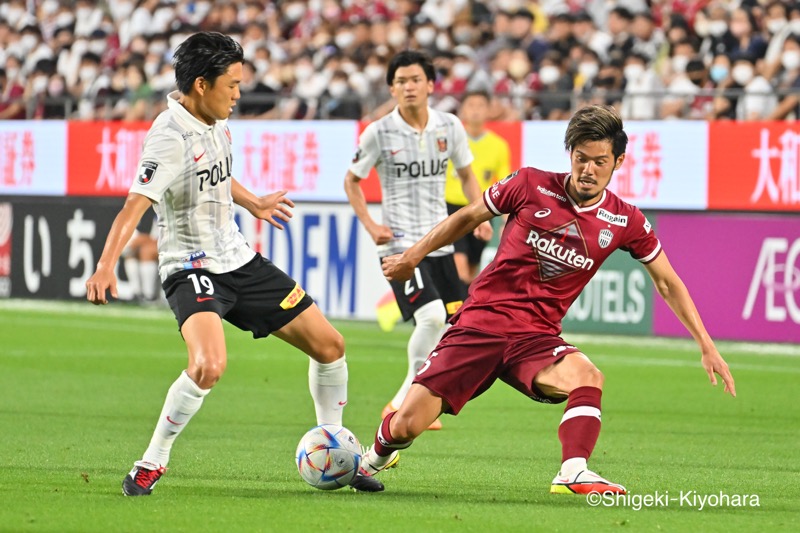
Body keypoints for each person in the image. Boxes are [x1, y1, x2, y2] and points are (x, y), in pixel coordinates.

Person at [359, 105, 737, 495]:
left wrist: (706, 345)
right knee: (405, 425)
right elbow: (467, 217)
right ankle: (372, 457)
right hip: (480, 324)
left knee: (588, 376)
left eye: (599, 161)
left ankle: (573, 470)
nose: (588, 169)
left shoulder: (626, 221)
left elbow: (668, 283)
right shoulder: (529, 184)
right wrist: (413, 256)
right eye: (581, 159)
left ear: (618, 161)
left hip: (535, 340)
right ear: (569, 153)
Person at [85, 32, 383, 496]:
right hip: (190, 266)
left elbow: (218, 177)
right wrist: (106, 265)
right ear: (201, 84)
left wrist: (254, 202)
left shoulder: (216, 122)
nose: (239, 95)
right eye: (232, 85)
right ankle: (151, 461)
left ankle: (335, 447)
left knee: (330, 345)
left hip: (238, 260)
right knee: (209, 366)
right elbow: (134, 205)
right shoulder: (169, 136)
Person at [343, 50, 492, 431]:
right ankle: (405, 402)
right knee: (430, 316)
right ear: (391, 89)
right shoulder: (378, 132)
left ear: (430, 85)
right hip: (399, 246)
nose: (408, 87)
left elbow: (467, 173)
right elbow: (352, 181)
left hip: (439, 240)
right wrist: (371, 225)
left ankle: (408, 401)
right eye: (400, 82)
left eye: (415, 80)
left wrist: (479, 215)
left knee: (449, 325)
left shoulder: (449, 126)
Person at [445, 90, 511, 285]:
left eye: (480, 106)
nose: (475, 111)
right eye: (471, 105)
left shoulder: (499, 145)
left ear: (489, 110)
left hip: (482, 212)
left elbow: (506, 184)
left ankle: (460, 310)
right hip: (451, 209)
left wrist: (507, 221)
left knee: (472, 270)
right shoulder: (451, 140)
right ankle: (457, 313)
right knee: (461, 268)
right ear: (463, 110)